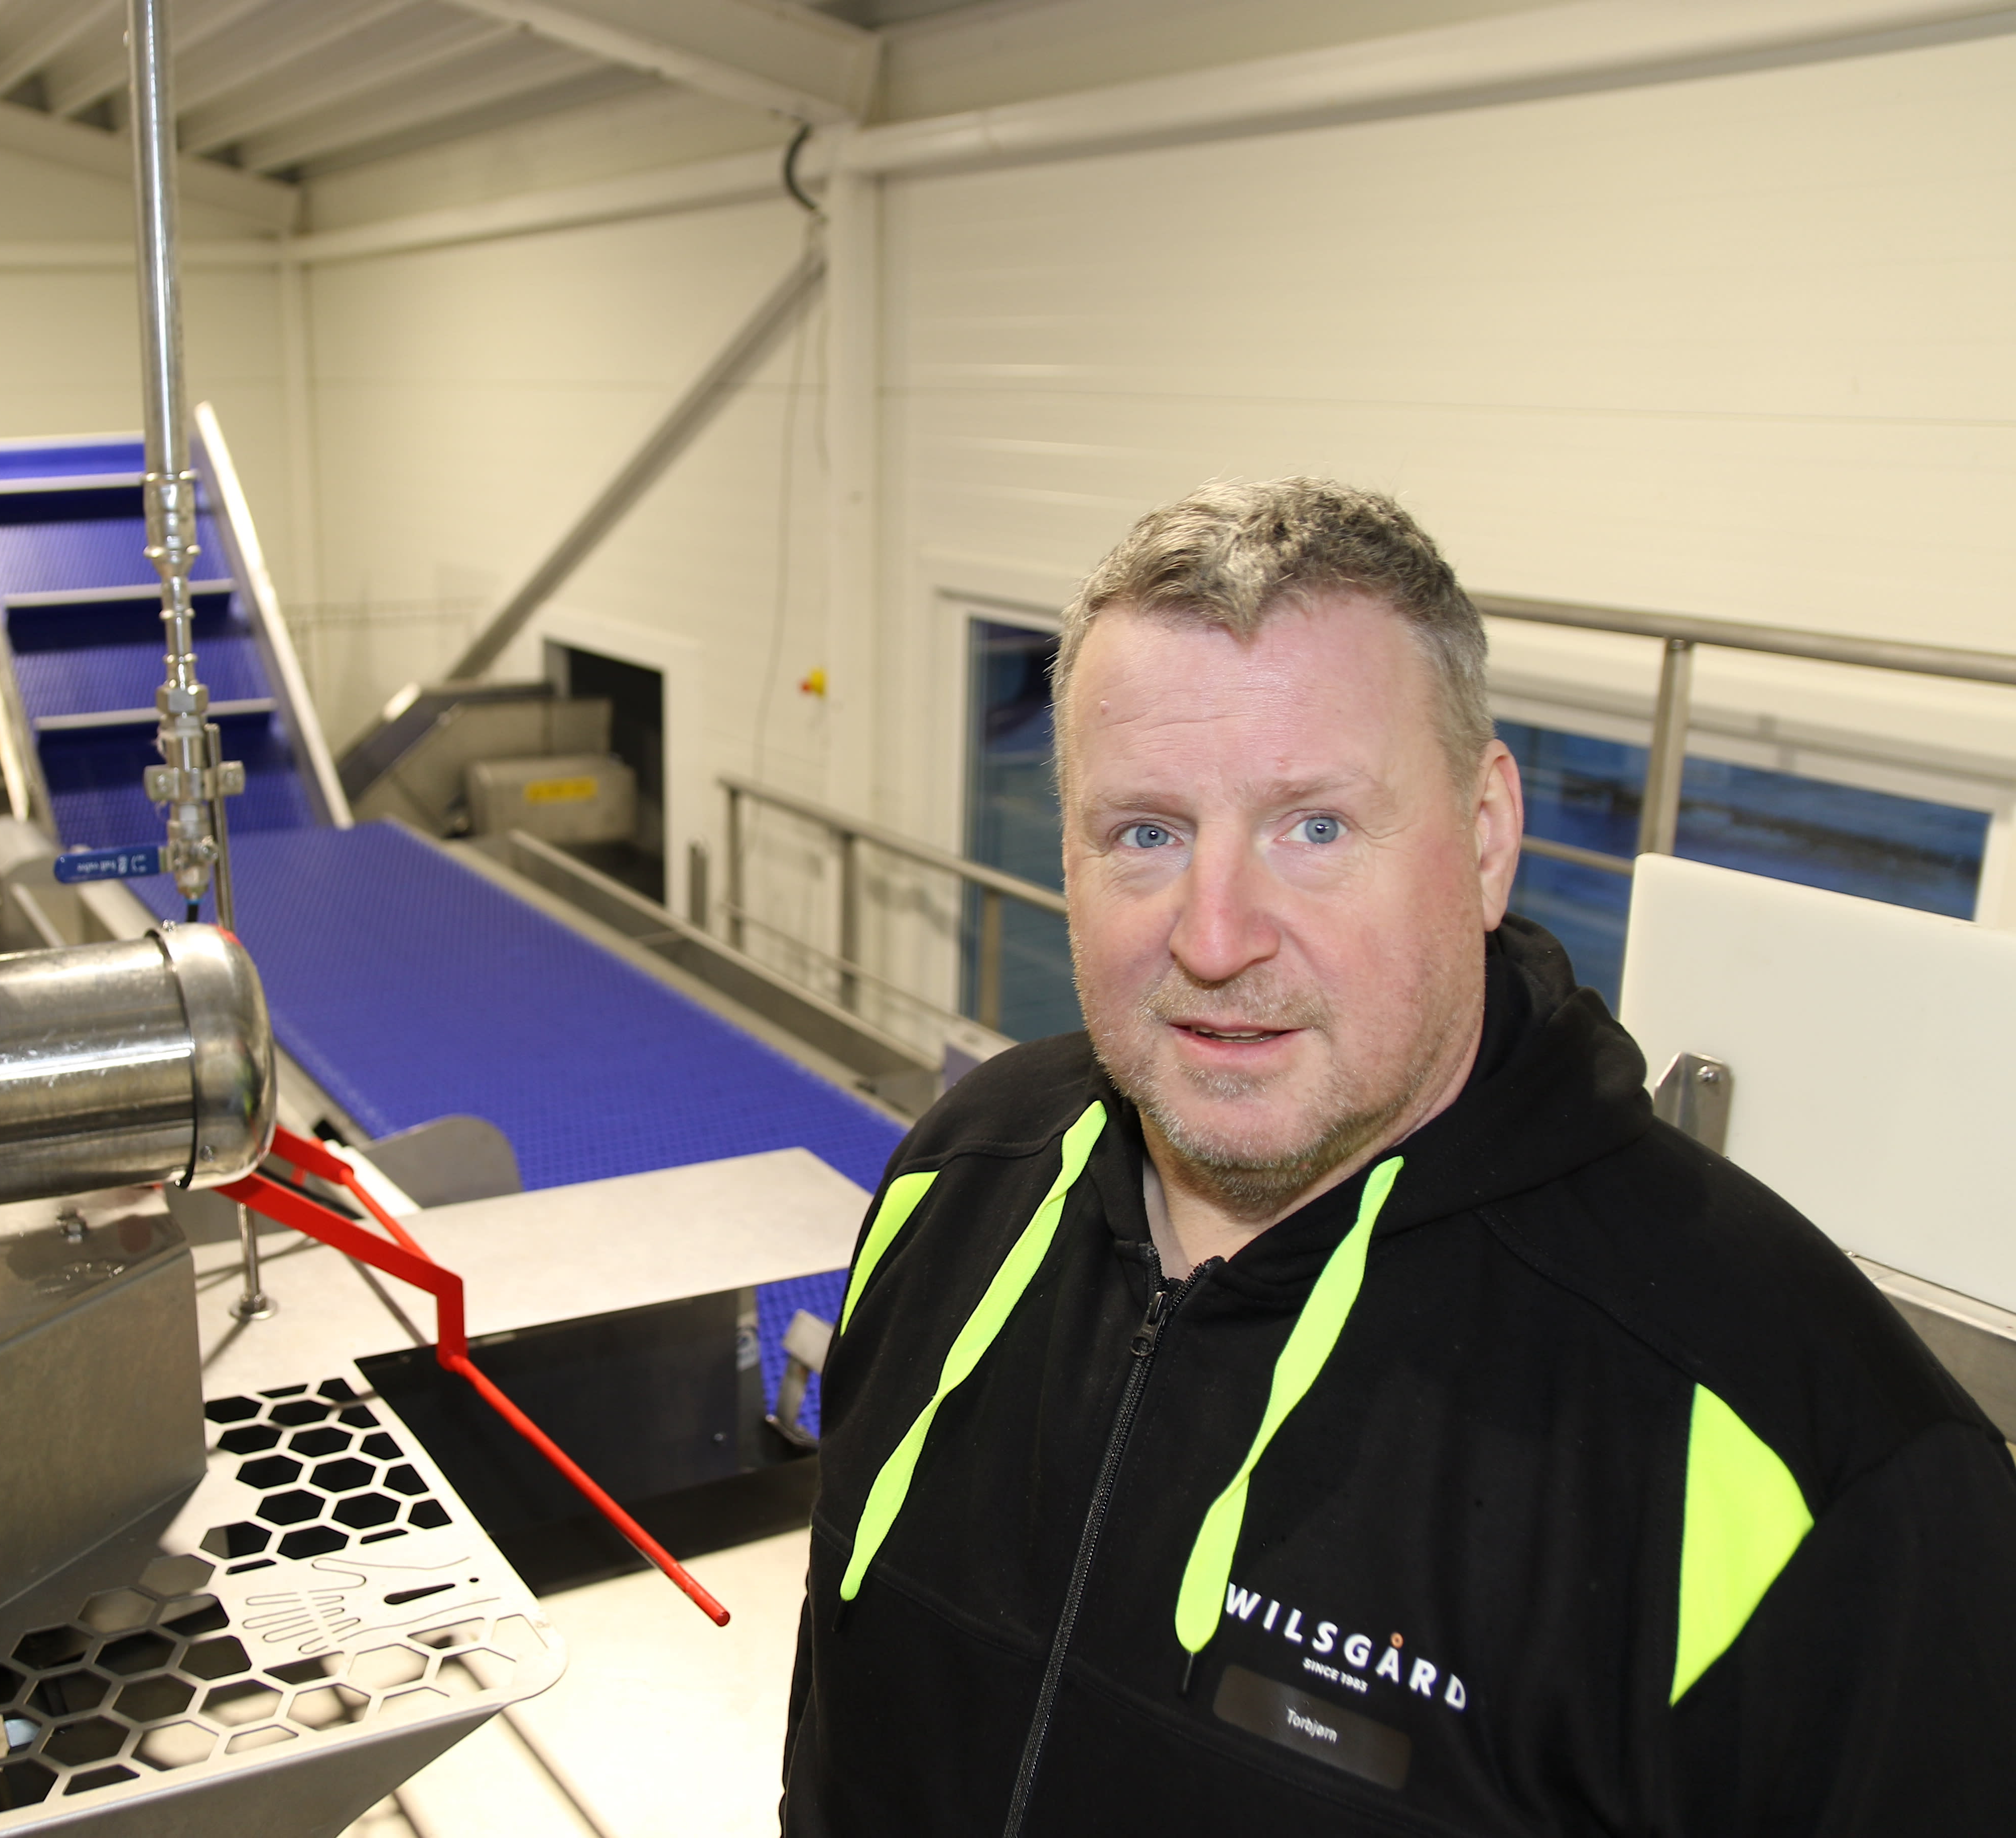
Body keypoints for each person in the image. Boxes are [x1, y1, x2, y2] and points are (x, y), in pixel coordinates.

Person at [781, 479, 2016, 1834]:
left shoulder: (1814, 1456)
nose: (1215, 937)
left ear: (1485, 840)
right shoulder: (960, 1180)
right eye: (1147, 833)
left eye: (1315, 828)